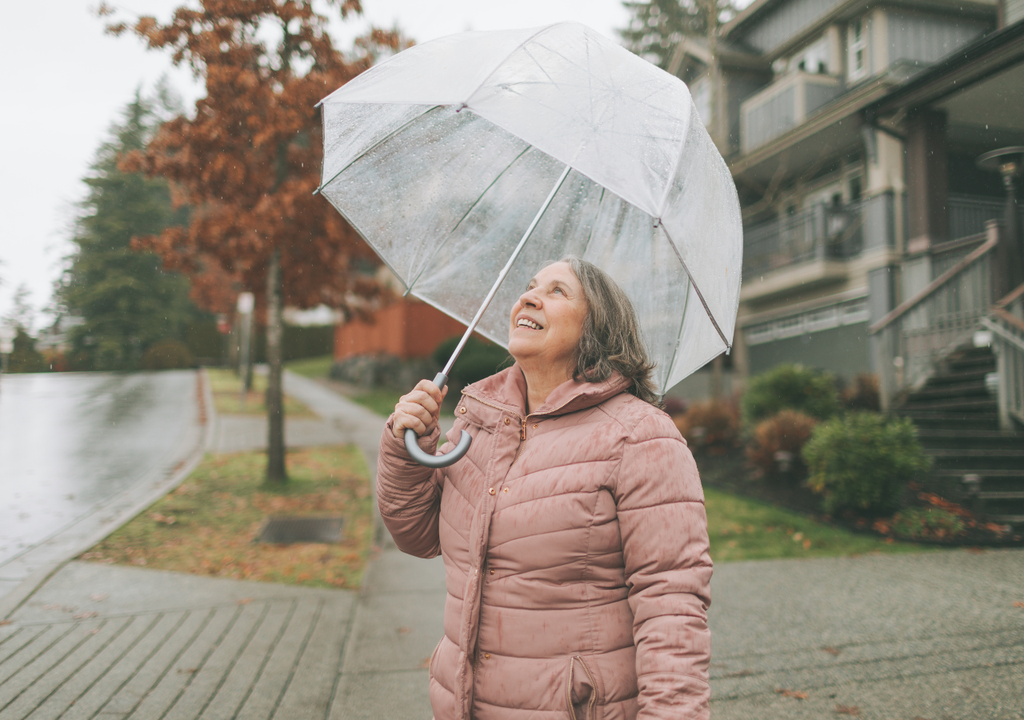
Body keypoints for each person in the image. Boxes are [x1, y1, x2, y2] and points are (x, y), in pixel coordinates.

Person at [378, 257, 712, 720]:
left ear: (599, 329)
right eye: (531, 286)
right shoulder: (479, 422)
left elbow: (671, 605)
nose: (529, 296)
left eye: (558, 292)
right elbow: (416, 536)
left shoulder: (639, 437)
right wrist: (405, 445)